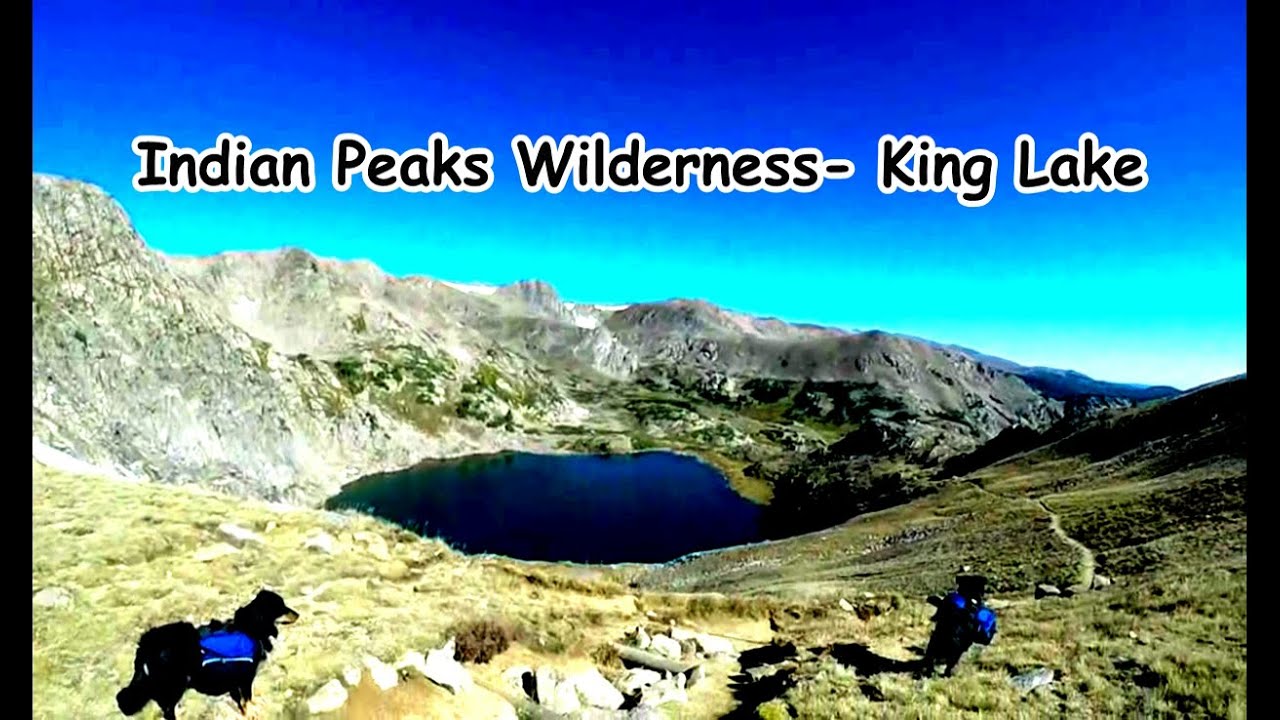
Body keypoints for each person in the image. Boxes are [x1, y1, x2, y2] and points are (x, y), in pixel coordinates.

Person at [918, 573, 997, 677]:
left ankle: (929, 666)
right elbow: (985, 639)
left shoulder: (952, 599)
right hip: (962, 647)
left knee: (936, 638)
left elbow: (937, 617)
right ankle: (949, 669)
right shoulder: (983, 611)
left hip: (942, 640)